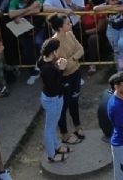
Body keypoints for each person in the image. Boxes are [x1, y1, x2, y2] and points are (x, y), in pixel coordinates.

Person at [48, 13, 86, 146]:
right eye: (67, 23)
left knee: (74, 100)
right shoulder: (55, 43)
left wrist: (73, 59)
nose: (70, 25)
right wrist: (72, 59)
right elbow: (62, 65)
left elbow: (81, 49)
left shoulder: (69, 34)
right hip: (64, 78)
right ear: (59, 27)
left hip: (76, 72)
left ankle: (77, 125)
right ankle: (64, 133)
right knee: (63, 106)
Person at [38, 39, 70, 164]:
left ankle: (57, 146)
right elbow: (54, 85)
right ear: (53, 51)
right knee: (50, 128)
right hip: (52, 99)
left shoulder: (43, 61)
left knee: (53, 124)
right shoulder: (48, 68)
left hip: (52, 97)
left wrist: (57, 66)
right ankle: (51, 155)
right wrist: (60, 69)